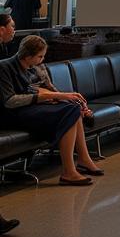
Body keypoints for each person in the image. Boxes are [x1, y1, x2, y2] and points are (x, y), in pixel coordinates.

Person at [0, 32, 103, 185]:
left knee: (73, 108)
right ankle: (69, 170)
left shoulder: (33, 67)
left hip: (31, 108)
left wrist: (60, 96)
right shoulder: (4, 67)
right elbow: (10, 101)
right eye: (40, 57)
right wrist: (51, 97)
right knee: (70, 111)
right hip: (13, 114)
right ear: (28, 56)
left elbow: (42, 90)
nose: (42, 60)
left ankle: (82, 159)